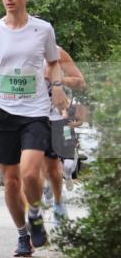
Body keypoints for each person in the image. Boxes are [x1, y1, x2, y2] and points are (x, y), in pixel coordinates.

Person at [0, 0, 69, 257]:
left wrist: (59, 87)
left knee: (29, 172)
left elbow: (54, 62)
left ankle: (35, 212)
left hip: (36, 111)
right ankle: (23, 234)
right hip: (3, 111)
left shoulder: (43, 30)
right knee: (10, 179)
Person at [42, 46, 86, 222]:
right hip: (29, 117)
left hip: (57, 122)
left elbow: (81, 83)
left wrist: (59, 81)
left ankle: (57, 203)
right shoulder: (13, 46)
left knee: (57, 167)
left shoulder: (57, 52)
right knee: (31, 166)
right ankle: (40, 206)